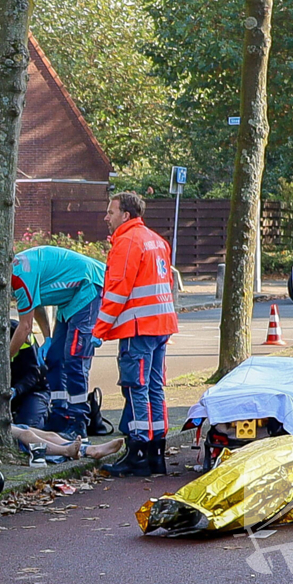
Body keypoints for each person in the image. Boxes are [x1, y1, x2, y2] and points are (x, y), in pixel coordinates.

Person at [93, 191, 178, 477]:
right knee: (154, 387)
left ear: (125, 215)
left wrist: (99, 331)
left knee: (136, 388)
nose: (106, 217)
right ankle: (156, 453)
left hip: (138, 328)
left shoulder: (127, 241)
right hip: (161, 325)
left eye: (111, 211)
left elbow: (117, 291)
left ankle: (139, 453)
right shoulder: (156, 240)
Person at [11, 246, 105, 439]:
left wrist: (5, 360)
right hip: (69, 299)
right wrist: (48, 338)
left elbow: (25, 327)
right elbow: (35, 305)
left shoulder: (18, 277)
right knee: (54, 357)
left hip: (88, 286)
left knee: (74, 359)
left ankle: (78, 423)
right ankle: (60, 416)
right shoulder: (18, 271)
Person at [9, 319, 50, 428]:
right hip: (9, 392)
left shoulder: (18, 331)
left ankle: (47, 414)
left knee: (28, 427)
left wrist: (16, 390)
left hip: (33, 390)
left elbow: (35, 373)